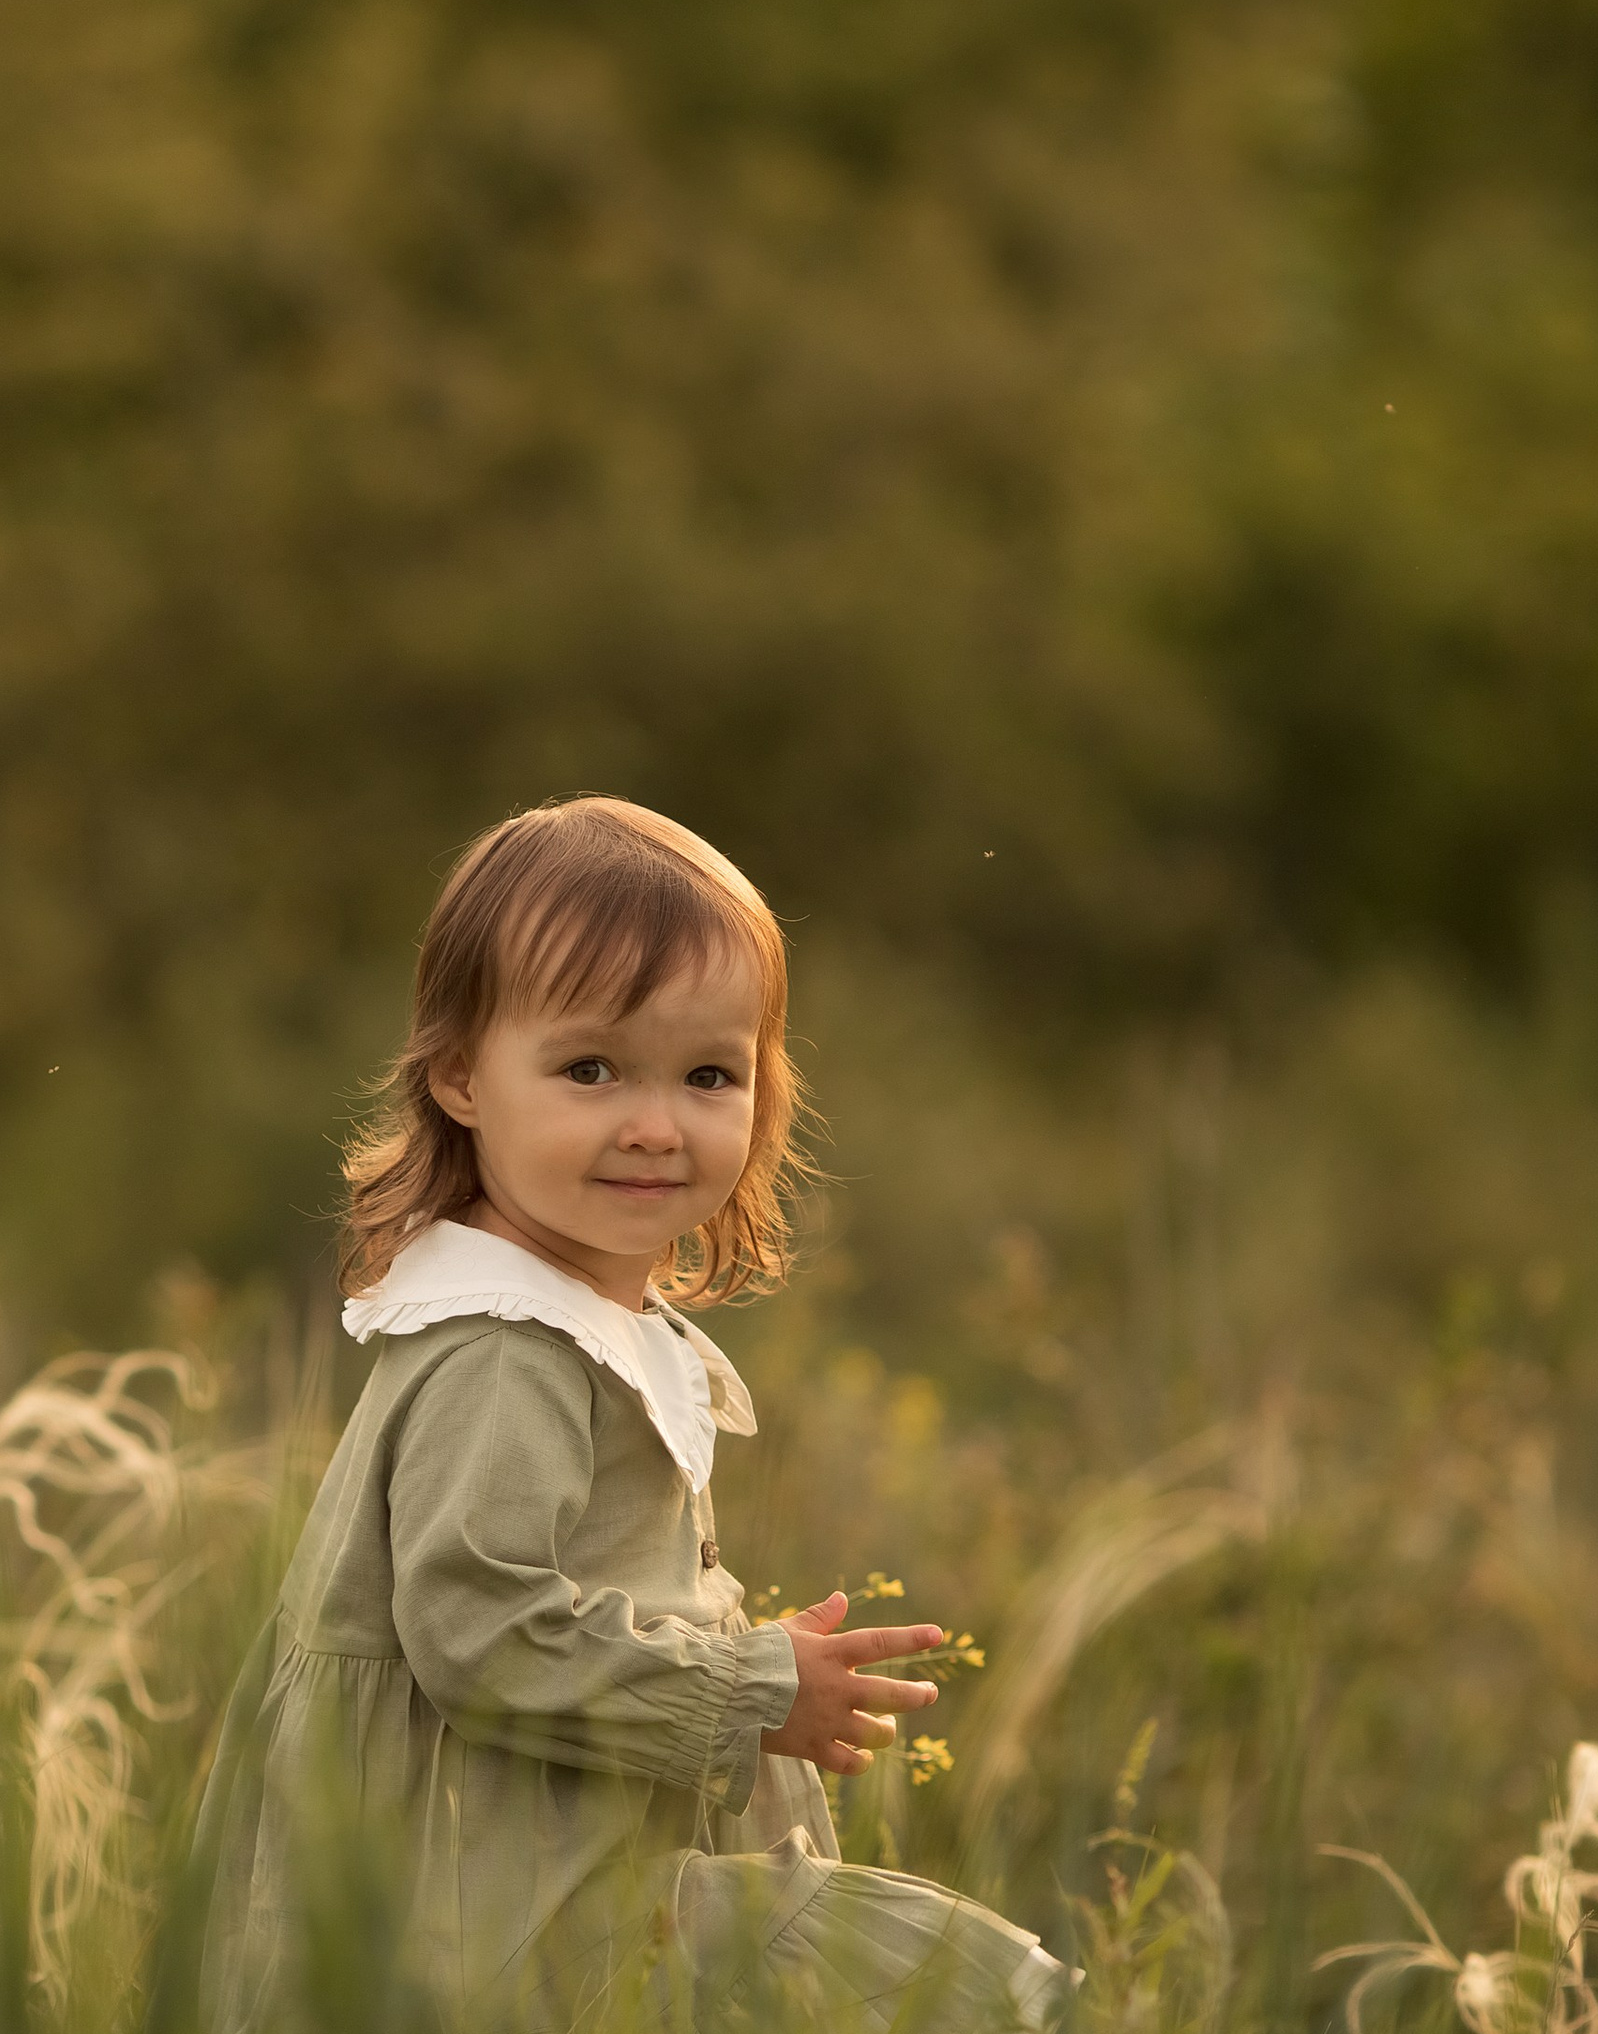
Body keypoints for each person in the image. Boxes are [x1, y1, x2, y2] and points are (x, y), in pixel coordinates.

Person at [192, 797, 1077, 2031]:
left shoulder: (572, 1316)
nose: (654, 1123)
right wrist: (746, 1687)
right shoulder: (506, 1347)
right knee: (922, 1989)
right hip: (472, 1893)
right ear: (459, 1075)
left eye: (708, 1073)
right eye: (590, 1068)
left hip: (541, 1856)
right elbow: (477, 1623)